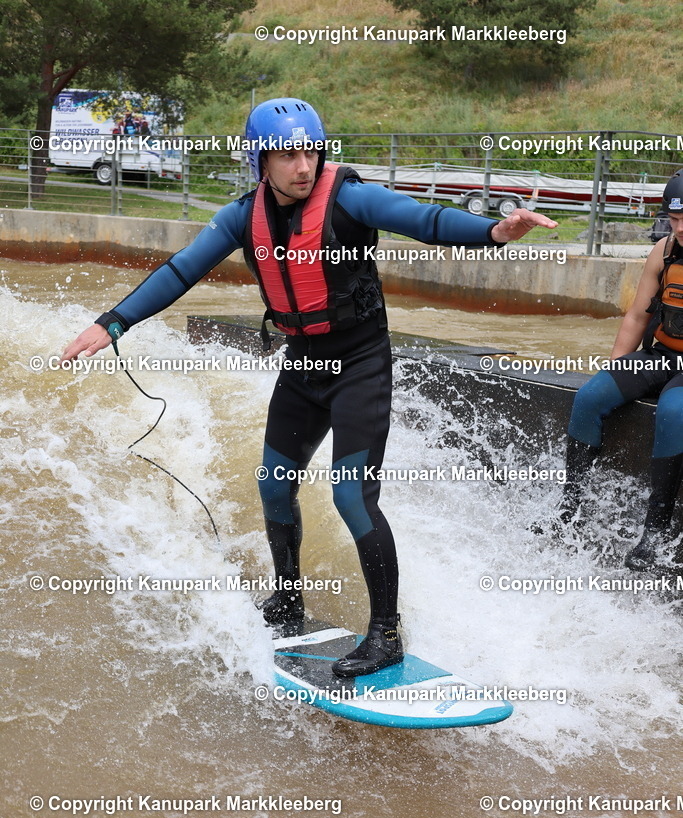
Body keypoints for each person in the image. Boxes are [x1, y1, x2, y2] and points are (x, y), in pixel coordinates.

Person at [60, 97, 557, 678]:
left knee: (350, 495)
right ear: (260, 161)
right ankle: (289, 597)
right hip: (303, 367)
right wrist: (112, 321)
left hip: (360, 365)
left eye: (311, 151)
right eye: (287, 154)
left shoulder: (349, 197)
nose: (303, 165)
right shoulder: (242, 217)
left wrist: (495, 230)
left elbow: (426, 220)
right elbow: (180, 271)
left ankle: (386, 633)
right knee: (275, 485)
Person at [554, 170, 683, 570]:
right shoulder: (663, 251)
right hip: (662, 355)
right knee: (592, 395)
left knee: (674, 413)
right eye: (674, 219)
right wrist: (618, 373)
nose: (679, 228)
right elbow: (634, 318)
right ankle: (569, 512)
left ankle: (655, 533)